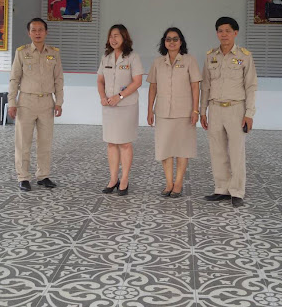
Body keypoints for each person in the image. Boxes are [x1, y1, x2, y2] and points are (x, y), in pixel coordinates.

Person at [200, 17, 258, 208]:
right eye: (220, 30)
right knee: (217, 151)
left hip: (236, 109)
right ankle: (221, 189)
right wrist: (202, 111)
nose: (223, 34)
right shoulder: (211, 56)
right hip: (215, 108)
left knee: (236, 152)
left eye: (227, 30)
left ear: (235, 33)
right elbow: (205, 86)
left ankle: (237, 191)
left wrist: (249, 113)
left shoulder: (244, 56)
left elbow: (251, 86)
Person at [8, 18, 64, 192]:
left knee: (45, 142)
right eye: (34, 30)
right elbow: (14, 79)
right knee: (23, 142)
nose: (37, 33)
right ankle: (23, 177)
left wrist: (59, 102)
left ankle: (43, 176)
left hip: (47, 102)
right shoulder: (21, 52)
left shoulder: (54, 53)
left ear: (46, 32)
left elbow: (59, 79)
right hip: (26, 102)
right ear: (29, 33)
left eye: (40, 30)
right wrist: (12, 102)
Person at [147, 27, 202, 198]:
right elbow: (153, 87)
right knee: (165, 148)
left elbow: (195, 86)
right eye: (168, 39)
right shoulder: (158, 62)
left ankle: (178, 183)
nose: (172, 42)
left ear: (181, 41)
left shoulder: (189, 60)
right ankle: (169, 183)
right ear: (164, 42)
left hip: (184, 112)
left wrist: (196, 110)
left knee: (182, 148)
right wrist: (150, 110)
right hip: (163, 112)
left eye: (175, 39)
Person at [97, 24, 144, 196]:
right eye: (111, 36)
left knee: (125, 143)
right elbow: (100, 80)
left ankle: (124, 179)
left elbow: (137, 81)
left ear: (124, 37)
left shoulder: (133, 57)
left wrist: (120, 96)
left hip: (126, 106)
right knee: (111, 143)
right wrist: (103, 96)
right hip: (109, 106)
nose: (113, 39)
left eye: (116, 35)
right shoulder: (106, 57)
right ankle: (113, 179)